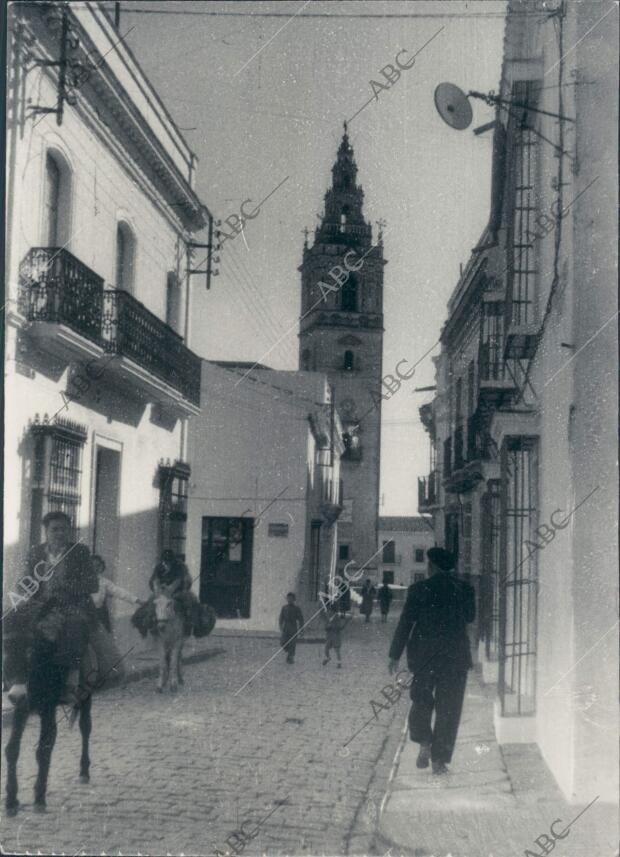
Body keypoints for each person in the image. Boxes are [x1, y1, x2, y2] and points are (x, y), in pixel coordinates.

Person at [388, 547, 475, 775]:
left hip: (424, 658)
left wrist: (394, 655)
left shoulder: (418, 589)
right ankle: (439, 760)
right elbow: (470, 617)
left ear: (431, 566)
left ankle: (424, 740)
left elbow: (406, 623)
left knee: (421, 701)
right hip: (455, 659)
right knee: (450, 709)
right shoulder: (465, 589)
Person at [7, 511, 99, 706]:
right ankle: (16, 680)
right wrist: (22, 591)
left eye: (64, 529)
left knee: (74, 627)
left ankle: (69, 684)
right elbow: (25, 579)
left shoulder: (79, 551)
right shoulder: (36, 552)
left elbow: (93, 584)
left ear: (69, 531)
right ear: (46, 531)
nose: (59, 533)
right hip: (41, 604)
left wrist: (66, 586)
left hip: (72, 604)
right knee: (10, 619)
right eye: (54, 529)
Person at [149, 549, 199, 635]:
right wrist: (158, 587)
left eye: (169, 561)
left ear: (173, 560)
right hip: (162, 592)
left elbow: (184, 579)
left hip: (178, 591)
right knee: (151, 603)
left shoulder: (180, 566)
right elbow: (153, 580)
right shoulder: (159, 567)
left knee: (188, 602)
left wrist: (173, 587)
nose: (167, 563)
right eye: (165, 561)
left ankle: (189, 623)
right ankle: (151, 624)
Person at [91, 554, 142, 632]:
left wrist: (137, 600)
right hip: (86, 613)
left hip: (99, 614)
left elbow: (119, 592)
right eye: (92, 566)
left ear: (101, 567)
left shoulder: (104, 582)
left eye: (98, 566)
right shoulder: (82, 581)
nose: (95, 569)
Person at [279, 592, 304, 664]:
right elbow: (281, 618)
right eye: (288, 598)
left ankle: (290, 658)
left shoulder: (297, 608)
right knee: (283, 642)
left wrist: (301, 630)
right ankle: (289, 653)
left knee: (292, 644)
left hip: (293, 627)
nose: (289, 600)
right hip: (286, 627)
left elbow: (301, 619)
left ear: (294, 599)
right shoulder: (284, 608)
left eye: (291, 598)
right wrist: (280, 626)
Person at [322, 602, 350, 667]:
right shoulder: (328, 617)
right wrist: (327, 627)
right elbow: (326, 627)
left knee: (337, 650)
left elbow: (340, 627)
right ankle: (328, 658)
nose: (329, 612)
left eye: (330, 610)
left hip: (336, 636)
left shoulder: (337, 617)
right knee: (326, 648)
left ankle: (339, 662)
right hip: (329, 636)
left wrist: (346, 622)